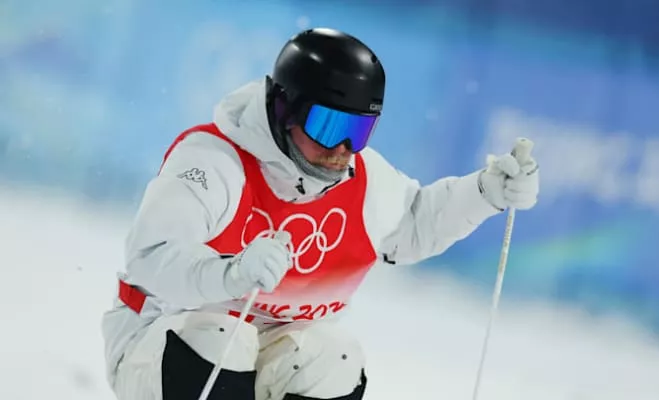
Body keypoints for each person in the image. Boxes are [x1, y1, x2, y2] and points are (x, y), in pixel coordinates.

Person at [101, 27, 540, 400]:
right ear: (284, 109)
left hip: (269, 352)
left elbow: (416, 222)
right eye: (328, 127)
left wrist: (485, 193)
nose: (342, 149)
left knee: (333, 357)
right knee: (222, 339)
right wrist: (229, 273)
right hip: (161, 342)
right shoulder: (214, 162)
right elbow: (151, 257)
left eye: (358, 131)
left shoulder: (362, 179)